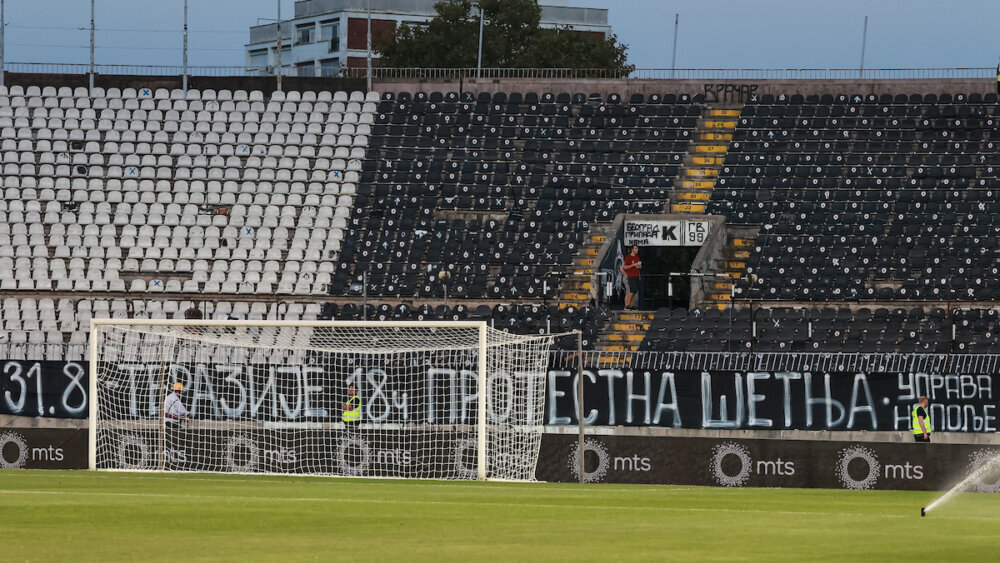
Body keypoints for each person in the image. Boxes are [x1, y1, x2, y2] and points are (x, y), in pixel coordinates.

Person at [621, 245, 642, 310]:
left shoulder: (637, 257)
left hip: (636, 275)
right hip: (631, 275)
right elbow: (624, 267)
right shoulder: (628, 257)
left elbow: (639, 268)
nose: (637, 250)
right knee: (631, 290)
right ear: (632, 249)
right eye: (636, 248)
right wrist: (633, 265)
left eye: (637, 248)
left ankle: (632, 305)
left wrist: (639, 267)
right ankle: (627, 304)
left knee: (635, 291)